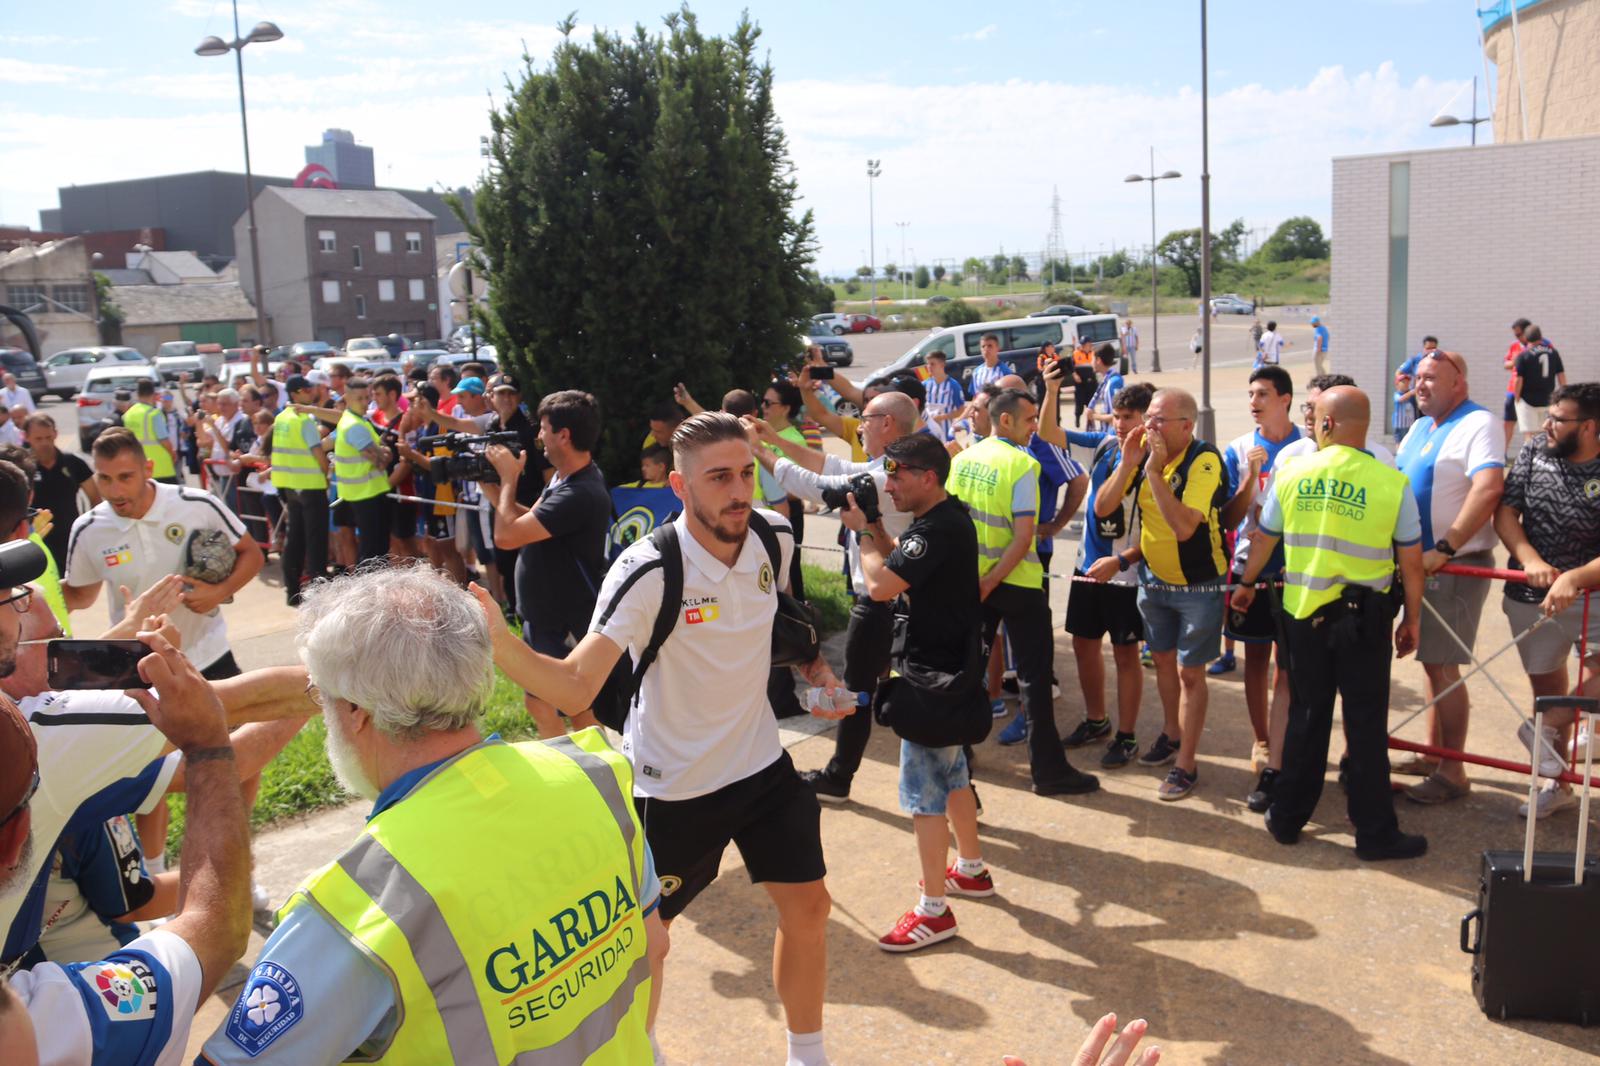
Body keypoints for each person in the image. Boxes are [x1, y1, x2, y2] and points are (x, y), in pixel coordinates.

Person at [489, 412, 848, 1066]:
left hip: (762, 769)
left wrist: (817, 672)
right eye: (719, 478)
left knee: (810, 910)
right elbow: (573, 688)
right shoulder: (650, 568)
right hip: (673, 788)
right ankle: (639, 1054)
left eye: (746, 473)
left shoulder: (775, 536)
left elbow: (784, 622)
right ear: (680, 488)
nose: (739, 491)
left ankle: (808, 1056)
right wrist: (496, 636)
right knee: (647, 946)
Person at [197, 563, 665, 1064]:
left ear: (356, 712)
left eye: (322, 697)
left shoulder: (361, 899)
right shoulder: (595, 773)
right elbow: (653, 947)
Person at [3, 631, 255, 1066]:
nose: (64, 661)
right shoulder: (35, 1022)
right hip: (106, 963)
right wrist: (208, 745)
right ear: (16, 835)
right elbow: (145, 904)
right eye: (18, 646)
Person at [1235, 386, 1428, 861]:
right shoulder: (1391, 482)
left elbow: (1264, 539)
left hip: (1304, 616)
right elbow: (1412, 564)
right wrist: (1414, 620)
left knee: (1306, 716)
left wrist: (1245, 582)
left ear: (1324, 425)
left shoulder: (1293, 472)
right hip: (1367, 621)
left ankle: (1286, 819)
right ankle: (1375, 833)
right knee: (1364, 725)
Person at [840, 432, 994, 951]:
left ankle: (934, 910)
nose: (889, 483)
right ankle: (970, 868)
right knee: (953, 774)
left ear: (927, 477)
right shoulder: (946, 521)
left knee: (924, 794)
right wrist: (880, 528)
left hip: (930, 680)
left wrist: (862, 537)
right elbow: (907, 568)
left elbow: (881, 585)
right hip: (951, 675)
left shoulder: (933, 530)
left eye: (897, 473)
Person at [751, 392, 919, 803]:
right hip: (897, 602)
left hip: (880, 603)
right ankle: (956, 772)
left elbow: (818, 486)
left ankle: (838, 777)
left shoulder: (884, 478)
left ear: (887, 424)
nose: (858, 425)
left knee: (858, 692)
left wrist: (758, 450)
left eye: (865, 417)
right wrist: (775, 439)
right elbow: (831, 465)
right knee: (896, 688)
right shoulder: (892, 468)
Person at [948, 387, 1099, 796]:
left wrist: (976, 583)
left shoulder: (961, 460)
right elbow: (1023, 538)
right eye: (1031, 419)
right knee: (1034, 680)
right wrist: (992, 580)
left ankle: (957, 758)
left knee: (968, 673)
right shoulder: (1023, 464)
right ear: (1006, 420)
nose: (1036, 426)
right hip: (1016, 583)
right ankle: (1048, 772)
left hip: (973, 585)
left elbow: (951, 525)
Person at [1095, 387, 1228, 800]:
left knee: (1192, 674)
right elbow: (1103, 508)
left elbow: (1186, 527)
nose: (1148, 426)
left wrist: (1153, 471)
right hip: (1153, 582)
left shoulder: (1203, 459)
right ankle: (1172, 734)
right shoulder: (1141, 457)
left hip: (1199, 585)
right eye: (1147, 418)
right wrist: (1128, 463)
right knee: (1165, 665)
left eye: (1158, 421)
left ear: (1186, 427)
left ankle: (1186, 764)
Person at [62, 430, 262, 680]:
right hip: (140, 665)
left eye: (125, 477)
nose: (115, 491)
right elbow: (80, 595)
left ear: (148, 469)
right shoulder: (88, 529)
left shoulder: (197, 504)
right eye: (104, 478)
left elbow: (252, 553)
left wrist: (220, 591)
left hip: (208, 655)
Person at [1394, 351, 1505, 803]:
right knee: (1431, 662)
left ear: (1459, 382)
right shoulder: (1422, 425)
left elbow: (1489, 487)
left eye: (1431, 378)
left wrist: (1446, 547)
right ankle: (1434, 751)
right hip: (1419, 566)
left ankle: (1453, 770)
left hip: (1453, 566)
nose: (1420, 385)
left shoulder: (1480, 423)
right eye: (1418, 377)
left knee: (1444, 667)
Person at [1494, 383, 1600, 819]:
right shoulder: (1535, 451)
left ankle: (1547, 725)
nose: (1546, 425)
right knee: (1546, 684)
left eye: (1558, 419)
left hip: (1594, 594)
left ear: (1591, 427)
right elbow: (1506, 511)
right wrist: (1529, 558)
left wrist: (1575, 577)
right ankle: (1557, 786)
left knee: (1554, 711)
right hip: (1531, 597)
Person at [1041, 370, 1153, 768]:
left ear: (1148, 420)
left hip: (1126, 575)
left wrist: (1124, 560)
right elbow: (1050, 432)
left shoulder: (1158, 462)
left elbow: (1161, 531)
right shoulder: (1104, 445)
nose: (1121, 425)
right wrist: (1052, 390)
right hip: (1087, 568)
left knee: (1126, 654)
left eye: (1129, 417)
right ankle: (1096, 719)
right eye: (1118, 416)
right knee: (1083, 645)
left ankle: (1127, 735)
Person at [486, 390, 611, 739]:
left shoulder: (580, 492)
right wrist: (495, 490)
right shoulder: (563, 479)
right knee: (539, 703)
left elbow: (507, 537)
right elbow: (531, 524)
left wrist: (509, 479)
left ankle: (603, 775)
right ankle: (564, 768)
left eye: (543, 429)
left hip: (565, 616)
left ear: (564, 435)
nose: (539, 437)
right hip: (544, 614)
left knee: (577, 706)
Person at [1217, 366, 1303, 804]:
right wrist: (1250, 479)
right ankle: (1263, 739)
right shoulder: (1238, 449)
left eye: (1263, 394)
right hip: (1248, 569)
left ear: (1286, 398)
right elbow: (1230, 519)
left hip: (1298, 572)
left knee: (1289, 667)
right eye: (1250, 394)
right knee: (1255, 658)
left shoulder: (1309, 447)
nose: (1254, 402)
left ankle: (1287, 746)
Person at [268, 375, 330, 607]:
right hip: (310, 484)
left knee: (295, 537)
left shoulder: (282, 418)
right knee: (316, 541)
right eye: (306, 389)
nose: (310, 392)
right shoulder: (304, 419)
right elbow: (317, 453)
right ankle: (319, 592)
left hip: (289, 484)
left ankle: (292, 590)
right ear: (296, 394)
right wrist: (326, 475)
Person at [328, 377, 393, 565]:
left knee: (376, 549)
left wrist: (382, 454)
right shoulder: (354, 425)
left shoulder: (356, 420)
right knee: (373, 551)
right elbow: (382, 458)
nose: (365, 403)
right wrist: (383, 453)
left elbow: (382, 455)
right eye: (360, 398)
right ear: (347, 398)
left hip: (366, 491)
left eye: (367, 398)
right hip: (365, 494)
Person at [21, 413, 97, 573]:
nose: (45, 443)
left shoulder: (73, 463)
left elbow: (95, 499)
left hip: (70, 540)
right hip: (35, 542)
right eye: (38, 439)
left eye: (48, 437)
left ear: (55, 433)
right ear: (26, 437)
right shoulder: (22, 468)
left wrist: (91, 530)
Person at [1511, 325, 1567, 446]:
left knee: (1529, 435)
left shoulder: (1523, 356)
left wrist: (1517, 398)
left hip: (1528, 400)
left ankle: (1531, 461)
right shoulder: (1553, 353)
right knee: (1545, 433)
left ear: (1526, 338)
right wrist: (1563, 395)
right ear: (1540, 337)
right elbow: (1561, 375)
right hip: (1548, 399)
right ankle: (1544, 459)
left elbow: (1518, 379)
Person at [122, 381, 178, 486]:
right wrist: (172, 454)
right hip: (160, 468)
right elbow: (164, 440)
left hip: (138, 466)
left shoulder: (128, 414)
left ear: (137, 394)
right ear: (153, 395)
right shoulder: (153, 413)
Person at [922, 352, 965, 441]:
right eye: (928, 364)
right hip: (928, 434)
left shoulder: (953, 385)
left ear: (942, 365)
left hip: (946, 434)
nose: (929, 367)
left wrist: (942, 417)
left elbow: (961, 410)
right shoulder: (924, 385)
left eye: (932, 364)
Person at [1502, 318, 1530, 451]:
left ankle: (1530, 455)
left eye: (1520, 334)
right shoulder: (1514, 346)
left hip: (1530, 391)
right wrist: (1514, 362)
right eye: (1516, 335)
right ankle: (1502, 454)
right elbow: (1506, 364)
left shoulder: (1541, 344)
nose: (1518, 338)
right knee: (1508, 422)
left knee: (1529, 426)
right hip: (1513, 390)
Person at [1083, 343, 1125, 429]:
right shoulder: (1108, 380)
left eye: (1092, 359)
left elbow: (1116, 416)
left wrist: (1093, 416)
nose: (1091, 362)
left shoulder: (1112, 383)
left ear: (1098, 360)